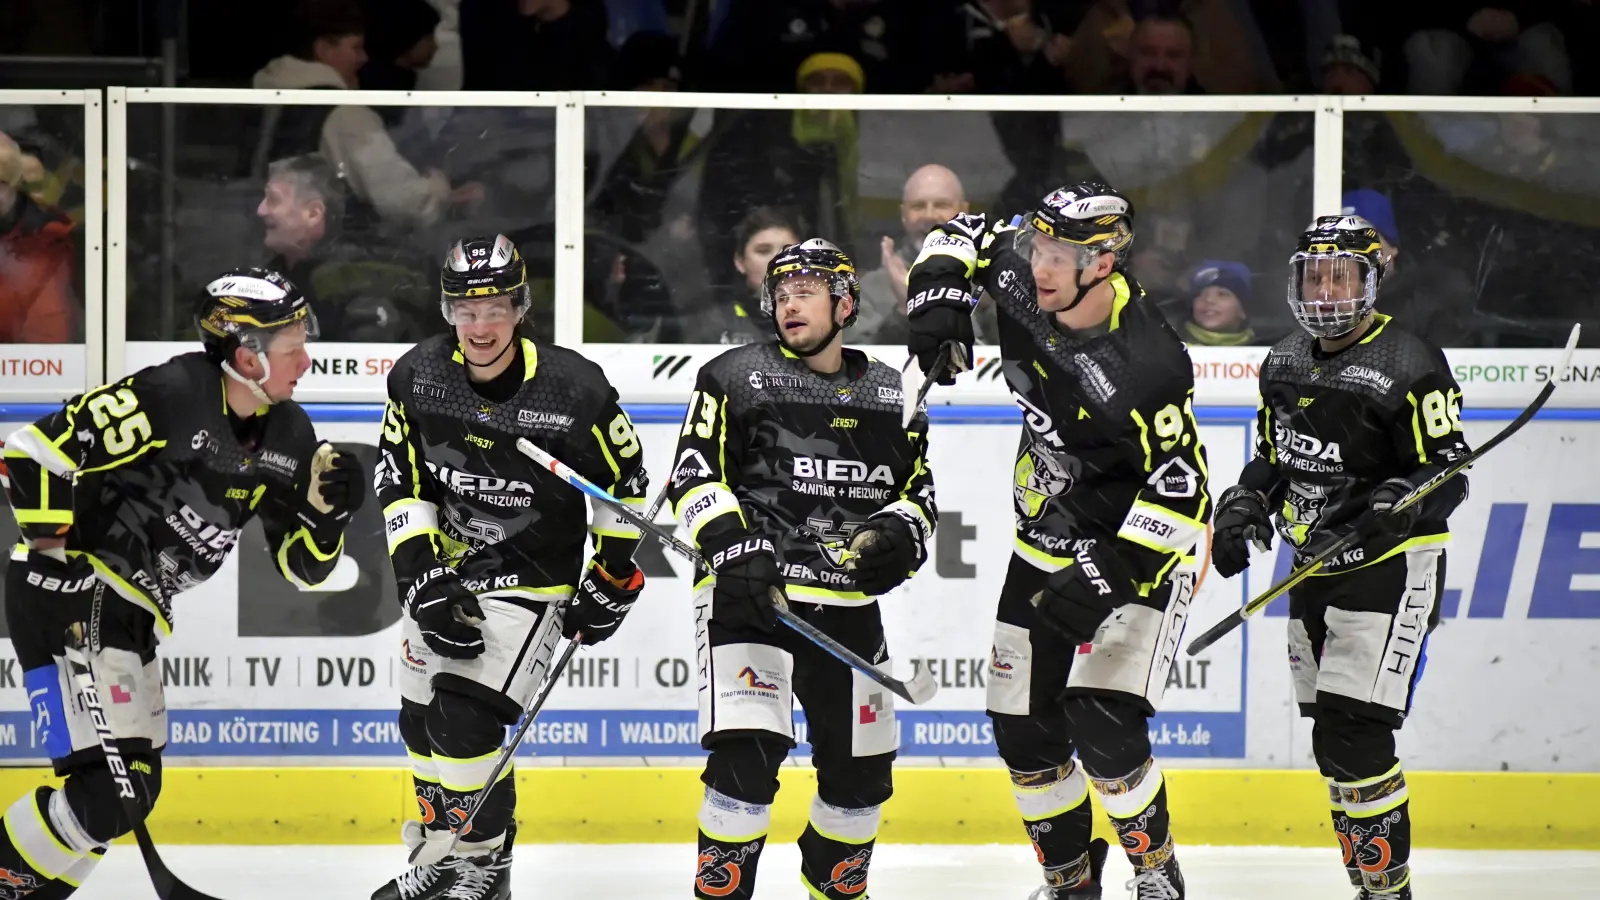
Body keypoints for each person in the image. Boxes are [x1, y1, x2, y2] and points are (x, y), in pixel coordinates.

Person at [0, 269, 362, 898]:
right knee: (115, 793)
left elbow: (303, 568)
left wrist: (330, 519)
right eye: (292, 345)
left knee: (121, 793)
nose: (306, 359)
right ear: (247, 354)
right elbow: (34, 453)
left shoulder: (291, 435)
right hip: (70, 597)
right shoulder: (172, 392)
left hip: (130, 614)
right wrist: (56, 558)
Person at [903, 182, 1211, 899]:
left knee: (1102, 726)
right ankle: (1070, 881)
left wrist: (1109, 572)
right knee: (1022, 733)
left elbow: (1184, 491)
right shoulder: (1021, 271)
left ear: (1103, 264)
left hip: (1138, 554)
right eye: (1038, 247)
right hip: (1042, 544)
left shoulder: (1148, 365)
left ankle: (1156, 870)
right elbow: (962, 231)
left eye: (1058, 255)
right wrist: (939, 296)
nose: (1037, 265)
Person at [371, 234, 650, 900]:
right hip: (448, 573)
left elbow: (626, 485)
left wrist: (611, 574)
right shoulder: (418, 377)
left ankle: (481, 862)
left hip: (532, 580)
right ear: (447, 313)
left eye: (495, 307)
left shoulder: (574, 388)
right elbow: (399, 480)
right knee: (419, 722)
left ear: (520, 307)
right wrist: (421, 577)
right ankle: (444, 854)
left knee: (461, 718)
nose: (480, 326)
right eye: (466, 311)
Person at [1210, 215, 1471, 900]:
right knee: (1332, 742)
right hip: (1312, 568)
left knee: (1356, 735)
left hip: (1391, 570)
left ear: (1372, 279)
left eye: (1342, 274)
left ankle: (1390, 894)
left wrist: (1398, 503)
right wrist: (1243, 502)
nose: (1326, 289)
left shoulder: (1411, 363)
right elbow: (1275, 456)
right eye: (1314, 275)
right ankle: (1369, 884)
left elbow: (1450, 472)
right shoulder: (1285, 361)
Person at [669, 239, 937, 900]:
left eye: (807, 291)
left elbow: (919, 496)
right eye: (781, 293)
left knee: (861, 780)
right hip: (749, 601)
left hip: (846, 610)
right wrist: (733, 546)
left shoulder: (893, 391)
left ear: (845, 302)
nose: (789, 303)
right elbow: (691, 475)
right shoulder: (733, 376)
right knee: (746, 760)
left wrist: (899, 537)